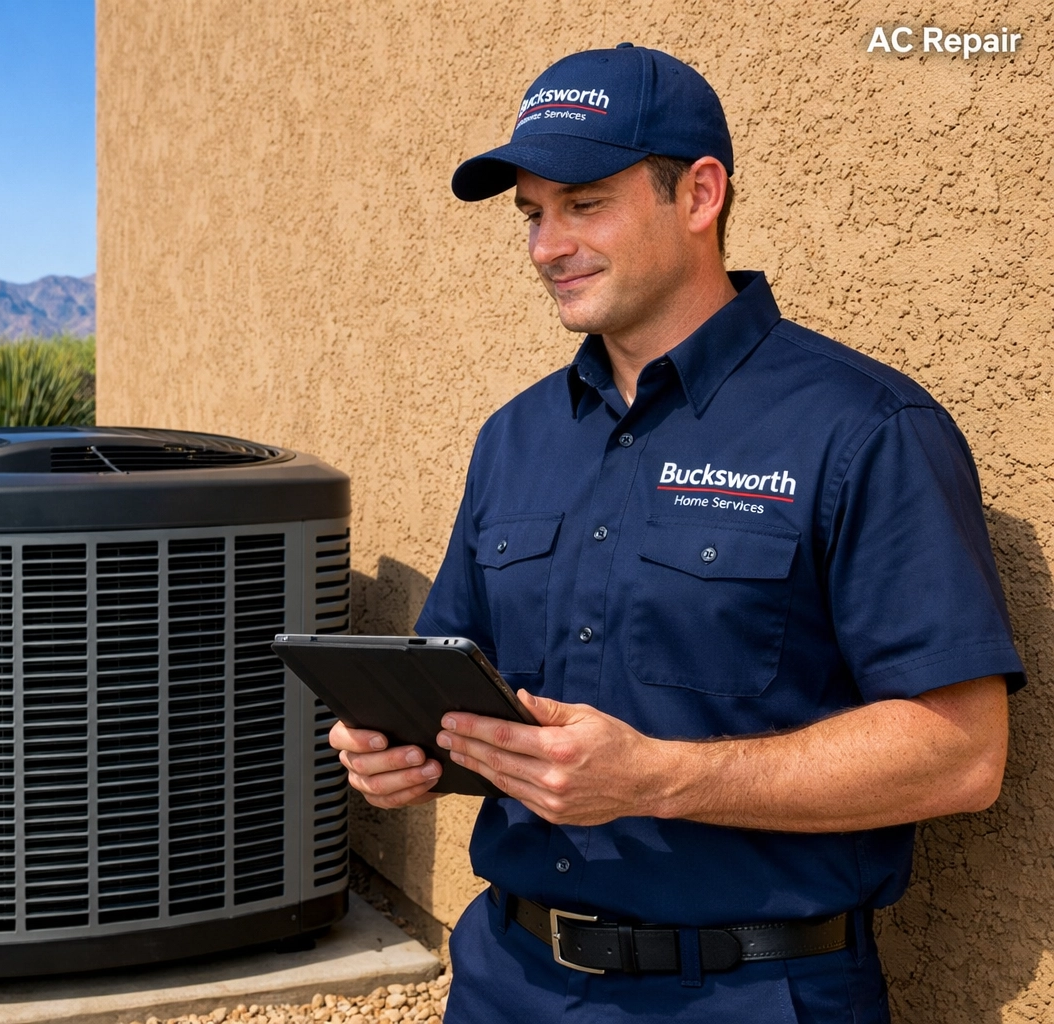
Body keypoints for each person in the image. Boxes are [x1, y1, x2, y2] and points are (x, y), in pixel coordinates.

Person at [328, 43, 1023, 1023]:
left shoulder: (864, 429)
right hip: (506, 981)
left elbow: (962, 755)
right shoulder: (514, 438)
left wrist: (661, 776)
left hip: (753, 992)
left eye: (585, 203)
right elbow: (463, 675)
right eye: (532, 213)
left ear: (699, 196)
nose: (545, 246)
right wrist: (410, 753)